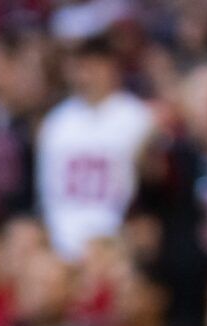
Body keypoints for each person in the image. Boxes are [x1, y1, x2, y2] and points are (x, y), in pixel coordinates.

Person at [34, 27, 156, 262]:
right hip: (63, 241)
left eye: (94, 65)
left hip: (119, 238)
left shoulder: (138, 117)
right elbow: (46, 194)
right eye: (80, 66)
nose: (87, 74)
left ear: (112, 67)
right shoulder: (56, 123)